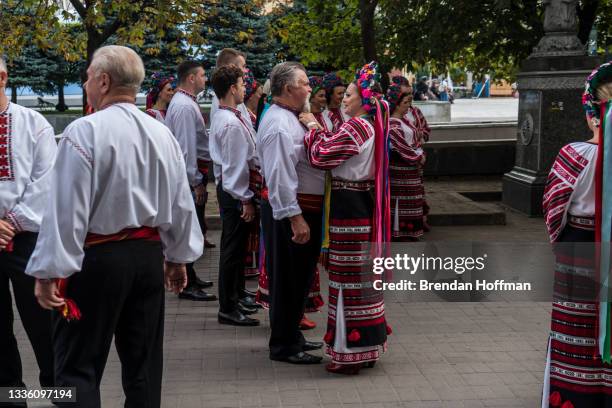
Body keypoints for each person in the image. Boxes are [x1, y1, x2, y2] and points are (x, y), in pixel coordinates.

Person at [26, 45, 204, 407]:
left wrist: (48, 272)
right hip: (146, 258)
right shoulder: (161, 133)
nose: (87, 82)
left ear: (104, 81)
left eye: (89, 76)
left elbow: (65, 209)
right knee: (144, 365)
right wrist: (178, 256)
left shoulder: (84, 132)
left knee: (77, 367)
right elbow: (180, 202)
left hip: (98, 259)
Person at [302, 61, 392, 375]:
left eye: (351, 95)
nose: (345, 99)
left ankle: (348, 351)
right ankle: (364, 347)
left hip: (348, 208)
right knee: (360, 279)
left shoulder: (357, 125)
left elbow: (322, 156)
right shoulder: (372, 125)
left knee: (346, 280)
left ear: (364, 101)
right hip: (360, 205)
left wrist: (313, 130)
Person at [541, 61, 612, 408]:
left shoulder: (574, 155)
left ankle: (572, 392)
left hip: (578, 247)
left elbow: (553, 206)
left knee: (576, 320)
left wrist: (558, 240)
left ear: (590, 113)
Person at [257, 61, 325, 364]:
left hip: (303, 208)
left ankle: (292, 335)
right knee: (287, 279)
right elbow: (279, 175)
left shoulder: (290, 117)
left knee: (299, 277)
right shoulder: (279, 124)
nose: (310, 88)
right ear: (288, 88)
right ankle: (283, 344)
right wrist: (294, 217)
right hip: (291, 213)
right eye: (305, 83)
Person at [0, 56, 57, 401]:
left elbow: (47, 181)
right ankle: (11, 398)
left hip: (28, 241)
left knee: (45, 326)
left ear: (3, 76)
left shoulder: (33, 123)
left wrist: (11, 222)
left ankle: (59, 394)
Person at [209, 65, 260, 326]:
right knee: (232, 248)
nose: (244, 89)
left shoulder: (227, 115)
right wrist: (246, 198)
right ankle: (227, 306)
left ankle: (234, 298)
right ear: (231, 88)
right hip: (234, 193)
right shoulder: (229, 122)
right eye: (241, 84)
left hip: (232, 190)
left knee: (236, 248)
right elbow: (235, 167)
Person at [165, 60, 216, 301]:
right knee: (190, 225)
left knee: (193, 224)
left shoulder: (186, 103)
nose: (206, 80)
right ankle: (186, 282)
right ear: (192, 78)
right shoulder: (185, 106)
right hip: (188, 176)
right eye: (203, 76)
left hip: (193, 173)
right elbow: (186, 148)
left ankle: (191, 276)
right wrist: (195, 181)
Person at [385, 83, 426, 241]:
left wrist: (419, 152)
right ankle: (400, 234)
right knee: (401, 204)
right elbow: (401, 146)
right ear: (396, 104)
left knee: (412, 202)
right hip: (400, 172)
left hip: (411, 171)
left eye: (410, 102)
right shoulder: (392, 123)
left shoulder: (405, 120)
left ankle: (409, 233)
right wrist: (418, 157)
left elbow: (416, 140)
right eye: (405, 103)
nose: (409, 106)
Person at [393, 75, 431, 231]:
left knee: (418, 193)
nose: (409, 99)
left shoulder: (415, 112)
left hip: (416, 157)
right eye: (405, 96)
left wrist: (420, 137)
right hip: (401, 160)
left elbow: (426, 130)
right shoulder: (391, 117)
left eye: (410, 94)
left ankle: (420, 220)